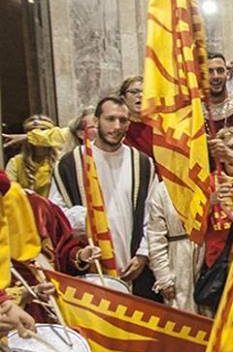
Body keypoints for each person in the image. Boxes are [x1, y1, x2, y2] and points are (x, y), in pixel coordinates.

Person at [49, 96, 158, 299]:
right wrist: (85, 221)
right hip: (89, 264)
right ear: (96, 121)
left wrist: (143, 254)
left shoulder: (142, 163)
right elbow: (55, 215)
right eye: (110, 119)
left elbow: (152, 214)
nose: (117, 126)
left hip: (134, 264)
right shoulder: (70, 163)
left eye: (123, 120)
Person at [197, 127, 233, 315]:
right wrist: (210, 202)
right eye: (231, 147)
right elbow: (193, 226)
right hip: (219, 265)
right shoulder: (209, 183)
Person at [146, 180, 201, 313]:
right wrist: (163, 277)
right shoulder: (162, 190)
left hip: (208, 253)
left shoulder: (207, 181)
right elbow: (155, 236)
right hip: (178, 258)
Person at [5, 115, 59, 197]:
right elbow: (9, 191)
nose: (38, 136)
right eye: (33, 132)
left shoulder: (61, 160)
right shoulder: (16, 162)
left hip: (56, 208)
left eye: (43, 131)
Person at [119, 75, 151, 157]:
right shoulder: (118, 126)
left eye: (145, 92)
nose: (140, 95)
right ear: (123, 98)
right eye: (134, 92)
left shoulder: (158, 127)